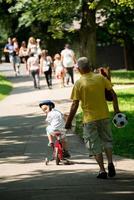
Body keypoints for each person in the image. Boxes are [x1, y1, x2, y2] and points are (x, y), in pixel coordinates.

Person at [65, 57, 120, 179]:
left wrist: (68, 122)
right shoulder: (100, 78)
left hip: (89, 119)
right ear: (90, 67)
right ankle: (110, 163)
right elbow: (113, 95)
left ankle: (102, 170)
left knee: (94, 144)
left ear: (79, 70)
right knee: (107, 140)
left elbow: (75, 104)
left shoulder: (79, 83)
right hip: (104, 116)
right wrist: (117, 111)